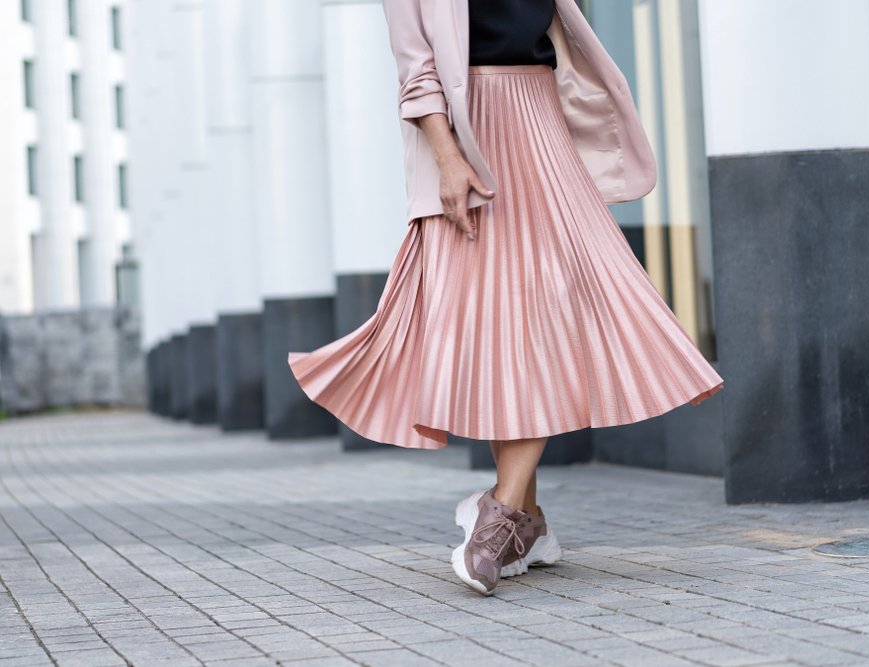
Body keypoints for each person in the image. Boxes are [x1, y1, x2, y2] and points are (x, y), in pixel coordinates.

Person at [288, 0, 725, 596]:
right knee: (499, 323)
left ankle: (502, 511)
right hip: (469, 136)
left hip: (541, 121)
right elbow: (416, 68)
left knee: (547, 309)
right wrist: (448, 161)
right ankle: (530, 522)